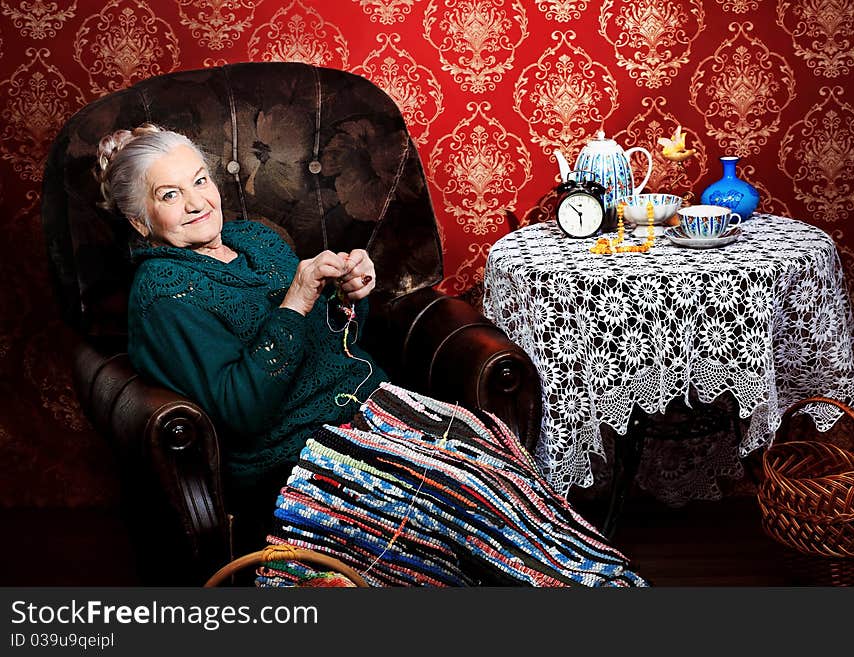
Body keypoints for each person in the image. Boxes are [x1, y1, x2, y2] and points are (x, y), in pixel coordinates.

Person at [96, 123, 647, 587]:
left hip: (369, 408)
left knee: (490, 455)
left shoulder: (256, 241)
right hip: (296, 454)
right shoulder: (166, 293)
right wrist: (297, 299)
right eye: (169, 195)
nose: (196, 202)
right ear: (141, 221)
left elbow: (329, 345)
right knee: (461, 493)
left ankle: (605, 583)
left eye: (199, 180)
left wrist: (345, 294)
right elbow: (242, 412)